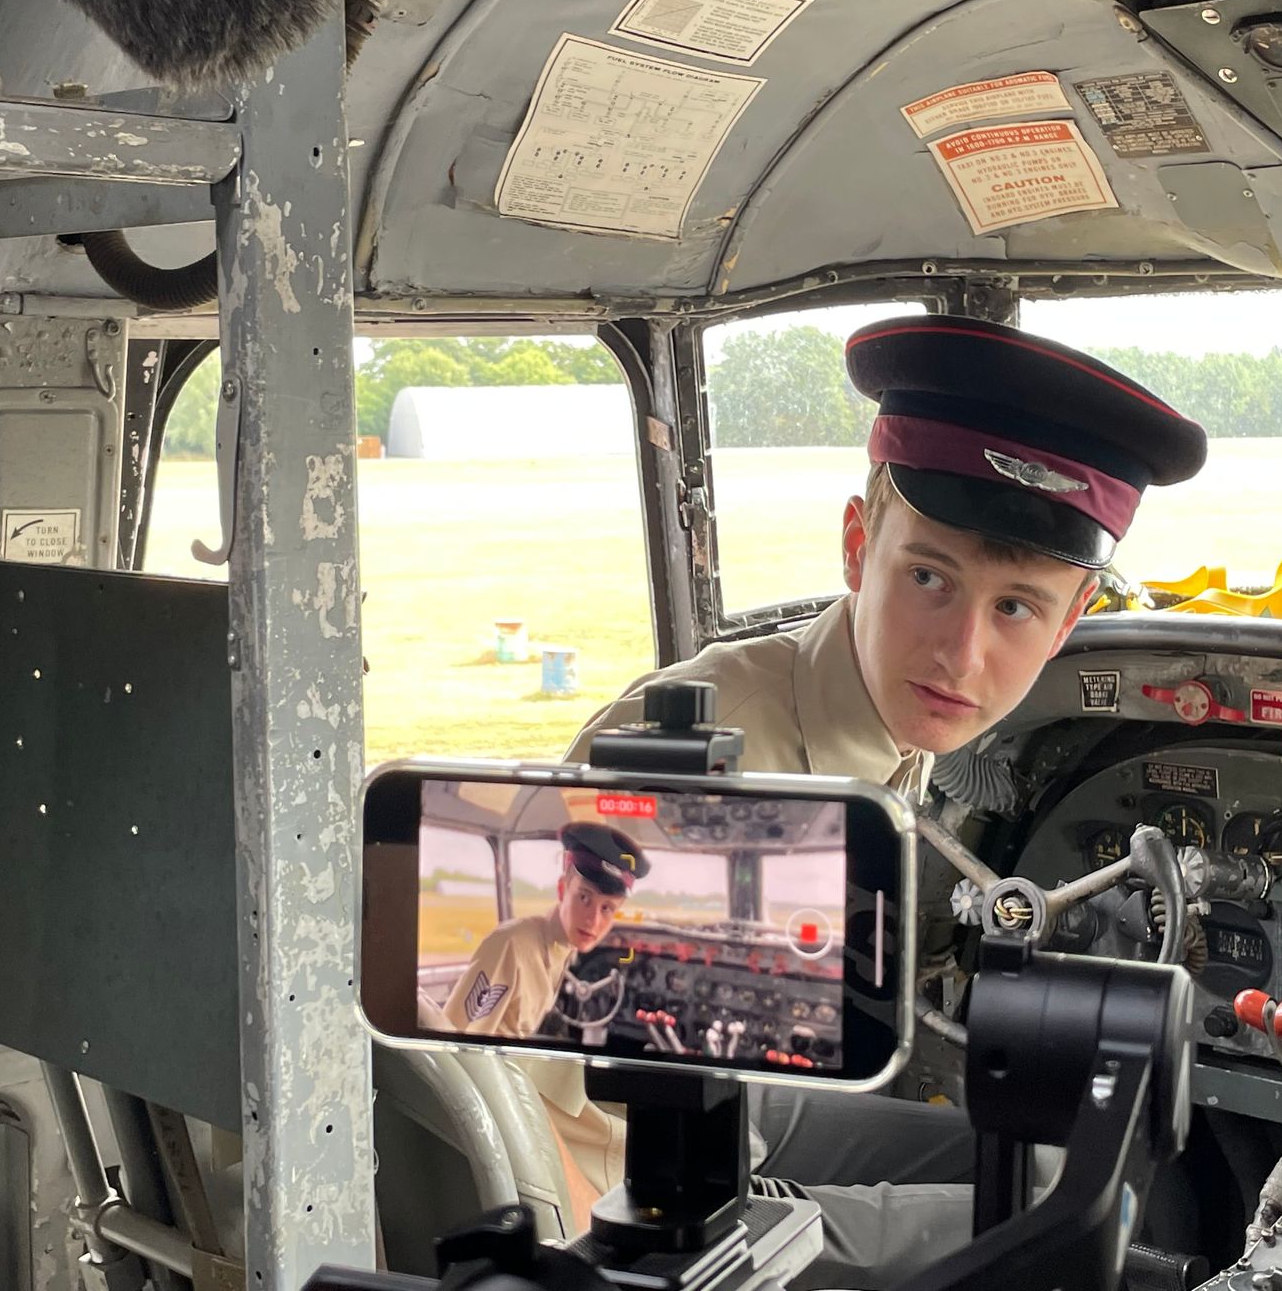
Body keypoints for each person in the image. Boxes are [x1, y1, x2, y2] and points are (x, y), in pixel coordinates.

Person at [559, 311, 1210, 1289]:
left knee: (1060, 1171)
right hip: (629, 1195)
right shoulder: (708, 765)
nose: (961, 656)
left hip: (733, 1105)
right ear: (858, 547)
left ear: (1072, 619)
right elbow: (571, 1099)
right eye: (929, 578)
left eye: (1016, 607)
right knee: (1078, 1232)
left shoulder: (879, 728)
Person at [443, 822, 651, 1039]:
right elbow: (455, 1041)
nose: (593, 920)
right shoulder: (511, 945)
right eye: (584, 897)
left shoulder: (566, 946)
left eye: (607, 908)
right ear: (562, 890)